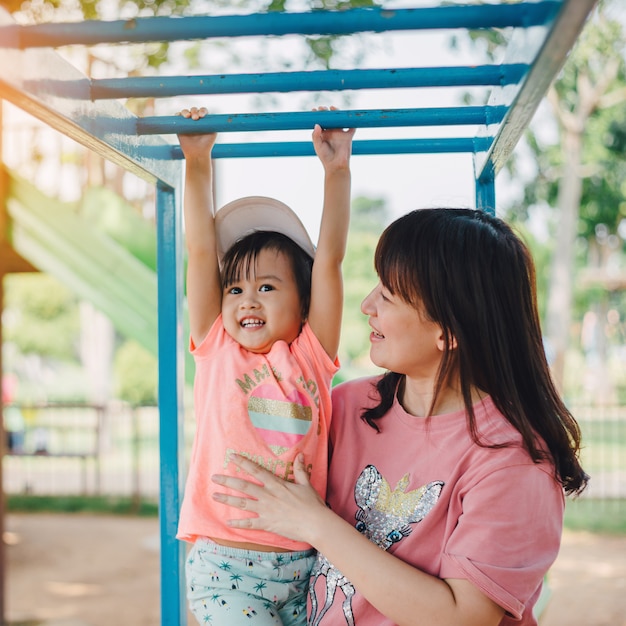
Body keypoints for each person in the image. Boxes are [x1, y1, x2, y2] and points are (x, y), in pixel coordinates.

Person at [211, 207, 589, 626]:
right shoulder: (349, 405)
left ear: (448, 330)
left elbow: (464, 617)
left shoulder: (514, 460)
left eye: (388, 295)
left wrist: (315, 523)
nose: (367, 304)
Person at [175, 105, 355, 626]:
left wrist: (337, 172)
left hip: (305, 564)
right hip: (226, 565)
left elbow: (331, 262)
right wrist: (198, 164)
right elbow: (199, 249)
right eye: (236, 288)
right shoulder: (217, 350)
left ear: (303, 304)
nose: (246, 300)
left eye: (267, 287)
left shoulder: (310, 356)